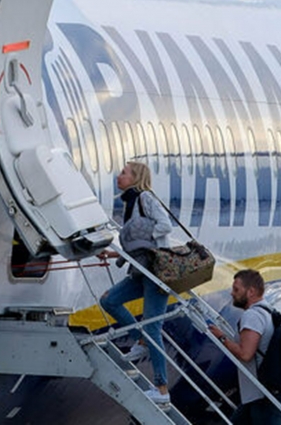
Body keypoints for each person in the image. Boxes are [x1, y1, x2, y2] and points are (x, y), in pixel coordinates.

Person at [98, 161, 173, 404]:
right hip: (141, 272)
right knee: (109, 300)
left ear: (135, 177)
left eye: (123, 173)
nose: (118, 176)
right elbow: (136, 246)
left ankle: (162, 389)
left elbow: (164, 225)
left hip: (156, 273)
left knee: (153, 328)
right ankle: (138, 339)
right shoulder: (130, 203)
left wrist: (145, 237)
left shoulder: (145, 199)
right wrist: (112, 254)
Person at [208, 270, 281, 425]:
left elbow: (246, 354)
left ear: (251, 291)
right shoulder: (268, 310)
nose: (232, 294)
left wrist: (221, 337)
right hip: (262, 393)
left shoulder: (252, 316)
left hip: (265, 395)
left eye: (236, 289)